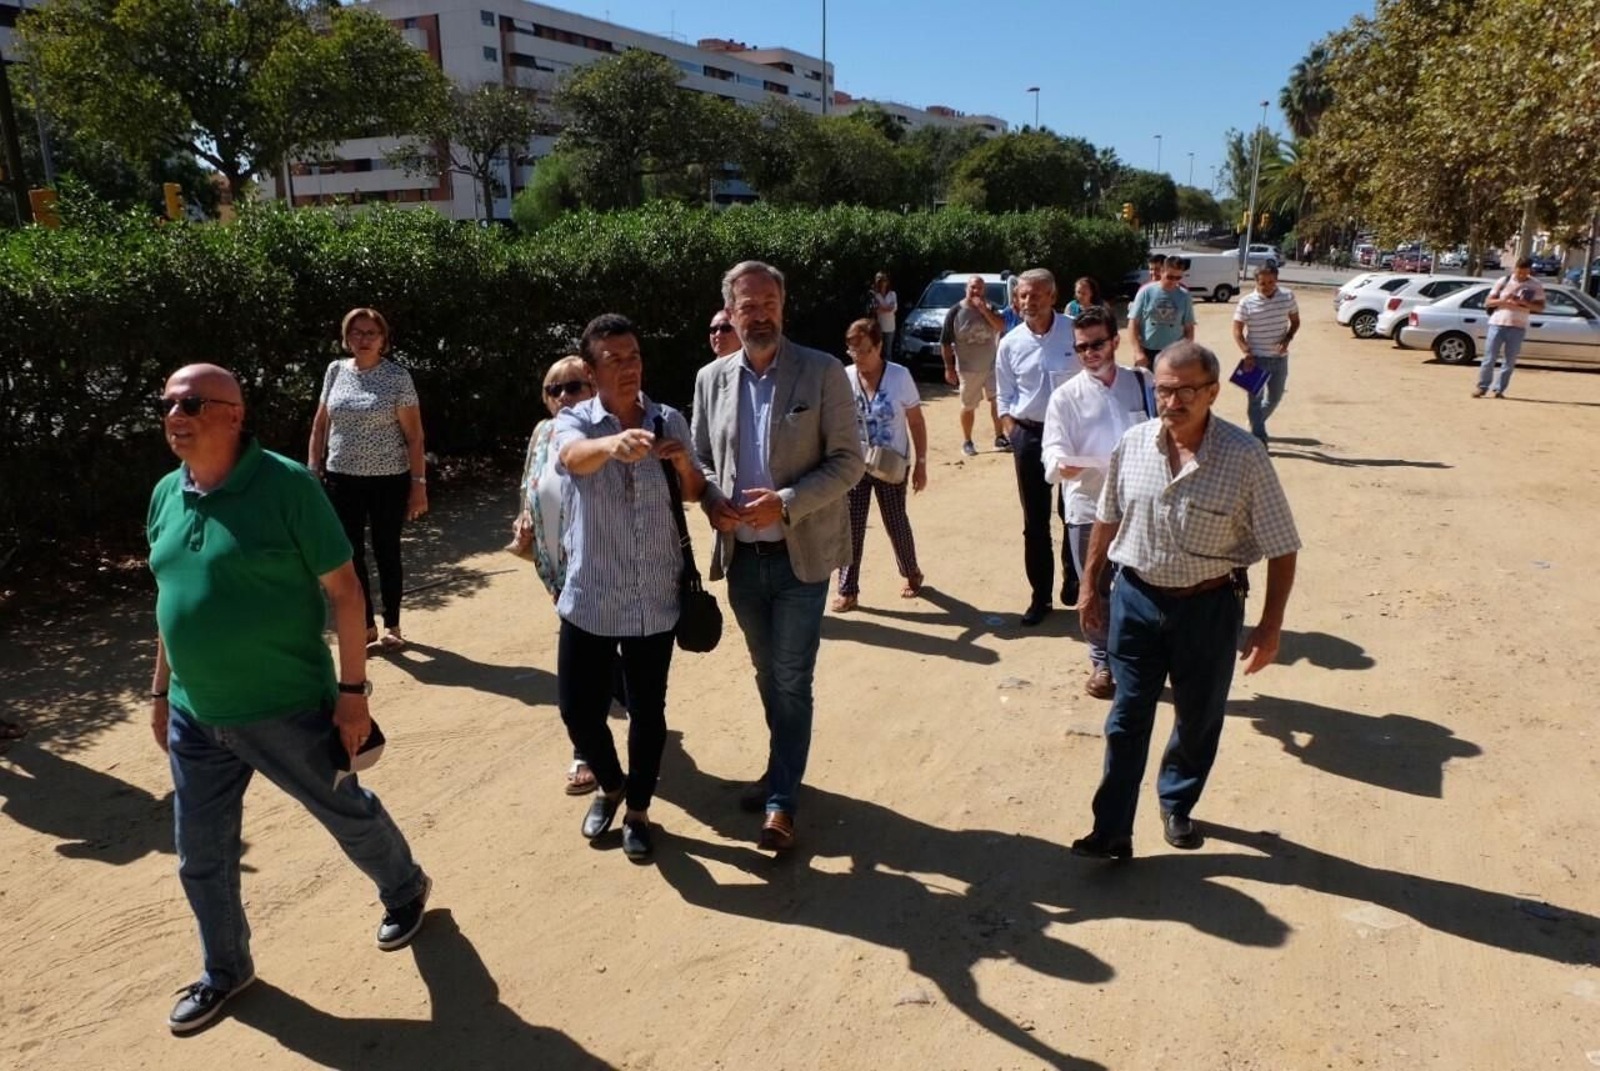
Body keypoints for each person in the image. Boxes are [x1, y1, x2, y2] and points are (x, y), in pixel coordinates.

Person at [149, 364, 431, 1034]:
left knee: (346, 813)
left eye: (189, 402)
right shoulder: (164, 493)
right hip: (196, 711)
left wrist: (353, 692)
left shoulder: (288, 487)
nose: (173, 413)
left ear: (233, 412)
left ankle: (404, 886)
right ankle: (226, 967)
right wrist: (161, 691)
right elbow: (167, 601)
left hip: (286, 707)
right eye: (165, 403)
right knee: (201, 854)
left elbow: (345, 591)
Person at [1070, 341, 1300, 859]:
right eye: (1163, 390)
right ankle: (1112, 830)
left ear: (1213, 392)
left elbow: (1283, 547)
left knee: (1198, 717)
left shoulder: (1244, 457)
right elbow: (1107, 517)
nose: (1171, 402)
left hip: (1209, 607)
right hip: (1136, 599)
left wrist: (1270, 626)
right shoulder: (1133, 443)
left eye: (1185, 392)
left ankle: (1176, 801)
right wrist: (1090, 586)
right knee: (1127, 717)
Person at [691, 260, 864, 851]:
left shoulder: (822, 373)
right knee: (768, 672)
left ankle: (782, 799)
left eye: (768, 303)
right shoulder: (710, 379)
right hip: (742, 558)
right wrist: (713, 498)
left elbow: (849, 461)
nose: (759, 314)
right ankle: (780, 767)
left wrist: (786, 501)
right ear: (730, 312)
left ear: (783, 306)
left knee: (792, 676)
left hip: (802, 556)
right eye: (747, 305)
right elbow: (699, 459)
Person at [555, 314, 705, 863]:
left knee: (648, 711)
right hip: (591, 595)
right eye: (614, 359)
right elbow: (572, 459)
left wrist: (681, 457)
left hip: (653, 594)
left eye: (634, 355)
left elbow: (692, 492)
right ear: (592, 373)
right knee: (577, 710)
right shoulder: (573, 422)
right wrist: (614, 444)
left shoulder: (668, 418)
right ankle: (611, 783)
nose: (628, 366)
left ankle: (637, 808)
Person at [506, 355, 620, 796]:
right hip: (554, 565)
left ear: (593, 387)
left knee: (587, 660)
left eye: (574, 386)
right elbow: (529, 483)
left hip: (594, 562)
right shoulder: (542, 432)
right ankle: (633, 707)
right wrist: (523, 517)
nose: (563, 396)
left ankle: (586, 750)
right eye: (554, 389)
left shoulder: (602, 430)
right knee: (596, 657)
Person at [1041, 306, 1154, 699]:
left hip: (1140, 507)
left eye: (1097, 345)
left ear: (1115, 342)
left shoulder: (1143, 384)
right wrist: (1062, 465)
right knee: (1098, 588)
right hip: (1088, 505)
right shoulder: (1065, 398)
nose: (1089, 353)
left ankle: (1136, 659)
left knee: (1141, 589)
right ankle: (1101, 662)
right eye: (1081, 347)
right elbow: (1052, 449)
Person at [308, 308, 428, 653]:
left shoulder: (397, 377)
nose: (363, 339)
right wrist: (312, 469)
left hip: (388, 479)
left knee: (386, 550)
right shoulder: (334, 371)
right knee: (349, 553)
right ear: (346, 337)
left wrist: (418, 484)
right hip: (340, 478)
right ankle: (365, 625)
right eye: (356, 333)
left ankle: (393, 625)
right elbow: (320, 425)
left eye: (371, 333)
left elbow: (415, 436)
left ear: (383, 340)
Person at [995, 268, 1082, 626]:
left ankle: (1073, 574)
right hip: (1030, 435)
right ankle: (1040, 597)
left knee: (1074, 513)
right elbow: (1003, 393)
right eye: (1023, 296)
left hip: (1074, 434)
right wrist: (1011, 429)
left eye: (1036, 295)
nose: (1028, 301)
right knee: (1035, 522)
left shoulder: (1074, 331)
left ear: (1052, 296)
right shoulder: (1010, 343)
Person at [835, 318, 928, 612]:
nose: (858, 357)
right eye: (853, 351)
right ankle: (848, 590)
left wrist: (922, 463)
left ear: (878, 346)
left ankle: (911, 573)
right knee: (851, 525)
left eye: (864, 350)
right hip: (856, 465)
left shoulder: (900, 377)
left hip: (891, 464)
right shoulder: (844, 376)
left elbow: (915, 420)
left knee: (895, 521)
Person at [1231, 265, 1301, 445]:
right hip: (1255, 360)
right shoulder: (1246, 302)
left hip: (1279, 359)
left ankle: (1255, 422)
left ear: (1276, 279)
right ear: (1256, 282)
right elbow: (1237, 331)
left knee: (1275, 398)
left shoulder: (1287, 296)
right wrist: (1246, 352)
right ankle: (1260, 438)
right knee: (1255, 400)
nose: (1267, 286)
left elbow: (1295, 322)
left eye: (1271, 282)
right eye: (1262, 283)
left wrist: (1287, 340)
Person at [940, 274, 1008, 456]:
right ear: (966, 289)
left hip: (992, 366)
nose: (976, 291)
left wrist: (984, 311)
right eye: (972, 288)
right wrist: (948, 368)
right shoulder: (955, 311)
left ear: (984, 290)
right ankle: (967, 441)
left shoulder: (991, 308)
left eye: (979, 288)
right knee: (969, 405)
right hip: (968, 368)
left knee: (997, 401)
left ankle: (1000, 437)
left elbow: (1002, 327)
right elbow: (945, 343)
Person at [1475, 256, 1546, 398]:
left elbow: (1541, 307)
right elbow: (1488, 302)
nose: (1522, 276)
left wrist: (1526, 304)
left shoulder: (1535, 285)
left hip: (1518, 326)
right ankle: (1482, 387)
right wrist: (1504, 300)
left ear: (1530, 271)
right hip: (1497, 324)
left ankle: (1499, 389)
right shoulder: (1504, 281)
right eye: (1520, 272)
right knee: (1489, 358)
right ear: (1515, 269)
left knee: (1509, 360)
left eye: (1525, 273)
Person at [1127, 258, 1196, 367]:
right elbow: (1133, 323)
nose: (1173, 281)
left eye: (1178, 278)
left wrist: (1186, 353)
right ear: (1161, 272)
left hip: (1174, 353)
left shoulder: (1184, 296)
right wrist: (1138, 352)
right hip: (1148, 352)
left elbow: (1189, 328)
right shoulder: (1145, 292)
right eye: (1170, 277)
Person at [870, 271, 898, 360]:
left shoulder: (892, 294)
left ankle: (889, 372)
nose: (883, 282)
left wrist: (882, 307)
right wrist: (886, 308)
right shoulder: (875, 295)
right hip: (879, 327)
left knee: (888, 353)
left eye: (884, 280)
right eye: (880, 280)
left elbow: (893, 309)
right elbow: (876, 309)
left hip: (890, 327)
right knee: (878, 352)